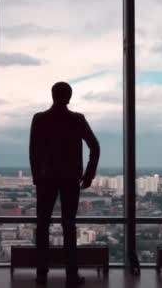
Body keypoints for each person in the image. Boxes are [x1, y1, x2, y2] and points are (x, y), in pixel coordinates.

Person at [29, 82, 100, 286]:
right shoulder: (77, 119)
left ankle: (42, 273)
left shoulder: (40, 118)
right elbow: (95, 146)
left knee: (42, 225)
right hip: (70, 178)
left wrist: (36, 176)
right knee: (69, 225)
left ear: (52, 95)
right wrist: (88, 175)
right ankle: (71, 274)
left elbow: (33, 150)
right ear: (69, 97)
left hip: (46, 178)